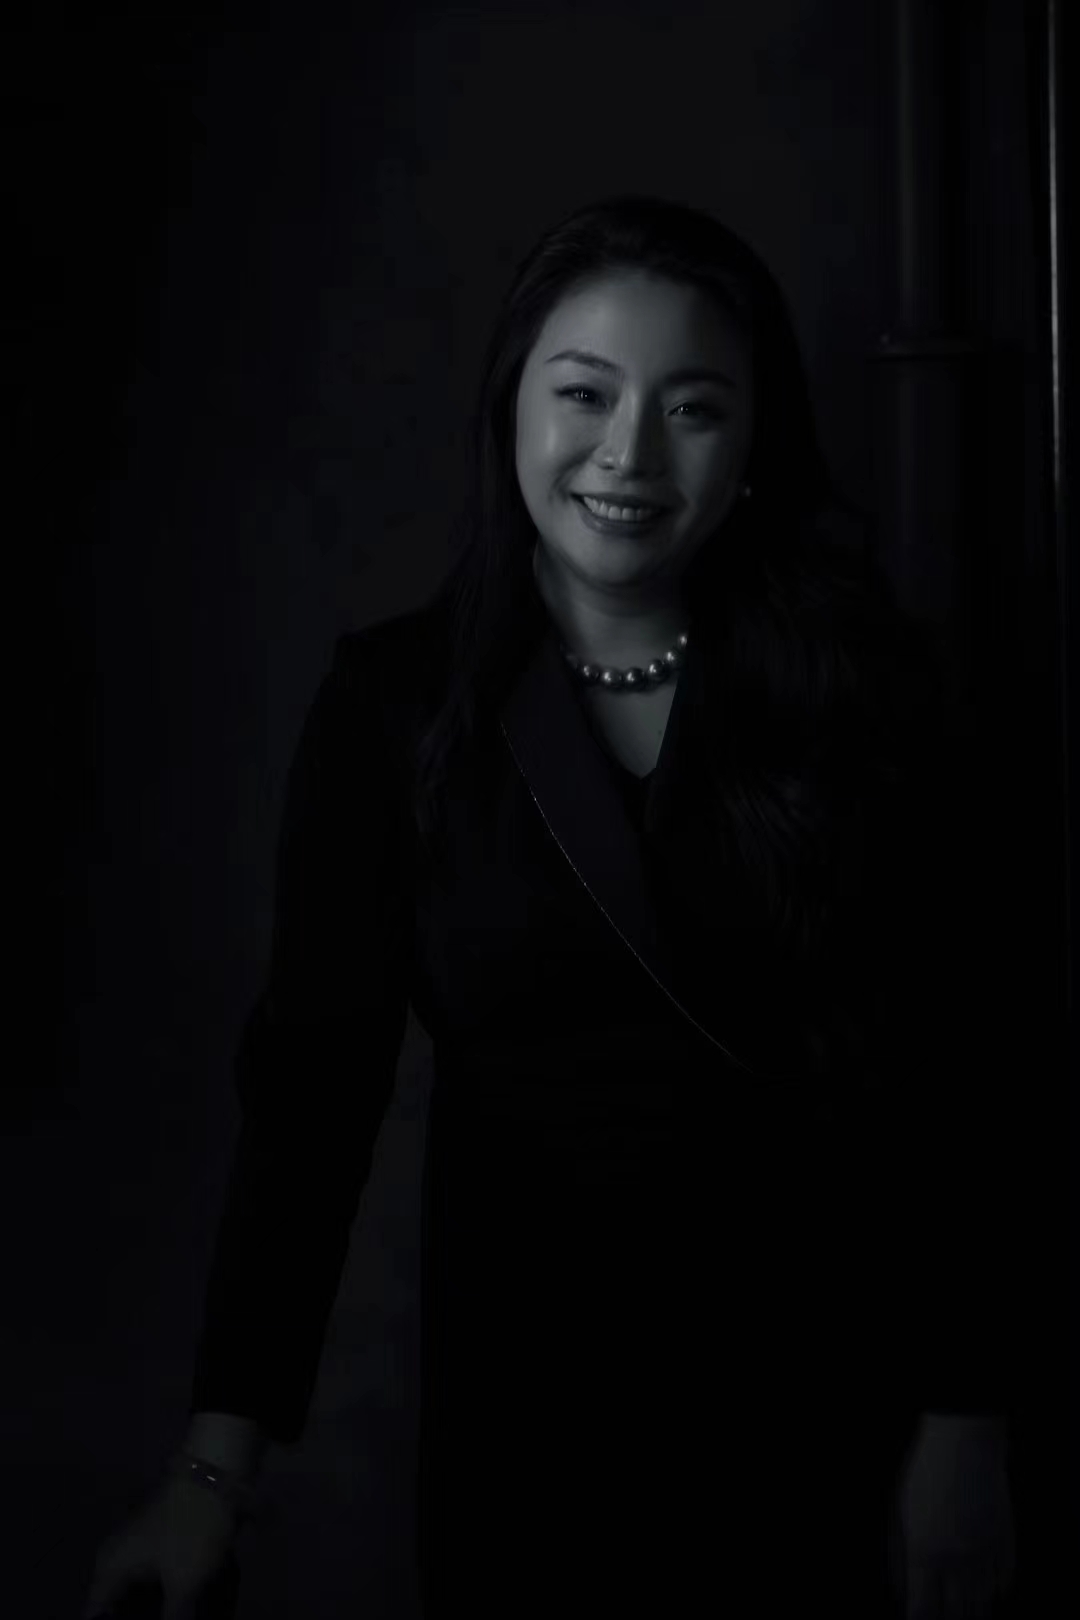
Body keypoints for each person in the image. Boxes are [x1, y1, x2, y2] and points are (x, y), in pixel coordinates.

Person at [83, 193, 1015, 1620]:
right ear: (512, 404)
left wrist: (968, 1416)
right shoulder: (395, 708)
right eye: (585, 393)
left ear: (754, 443)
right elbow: (311, 1101)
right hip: (525, 1430)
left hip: (833, 1418)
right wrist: (213, 1471)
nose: (630, 453)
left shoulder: (862, 688)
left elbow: (956, 1069)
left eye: (692, 407)